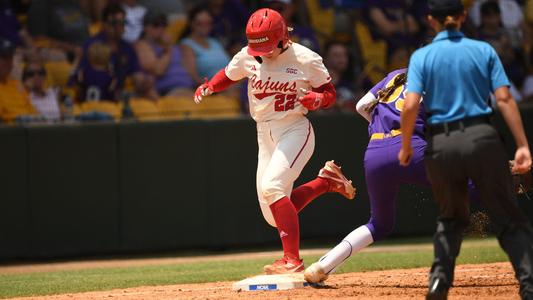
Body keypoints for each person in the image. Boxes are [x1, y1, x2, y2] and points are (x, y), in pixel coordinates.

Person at [193, 8, 356, 274]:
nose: (263, 52)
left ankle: (293, 260)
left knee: (273, 187)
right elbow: (229, 73)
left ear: (282, 38)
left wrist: (319, 100)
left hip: (294, 128)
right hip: (263, 133)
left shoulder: (305, 58)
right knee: (273, 215)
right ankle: (326, 182)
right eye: (258, 46)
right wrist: (210, 85)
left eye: (268, 45)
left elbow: (329, 93)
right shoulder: (249, 55)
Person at [397, 1, 533, 299]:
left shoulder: (422, 55)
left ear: (431, 20)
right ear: (462, 17)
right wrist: (522, 144)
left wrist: (406, 146)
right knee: (509, 218)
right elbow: (505, 99)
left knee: (451, 218)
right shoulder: (483, 50)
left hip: (441, 144)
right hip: (482, 138)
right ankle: (528, 284)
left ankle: (438, 285)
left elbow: (410, 106)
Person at [70, 3, 143, 102]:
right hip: (94, 95)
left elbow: (137, 75)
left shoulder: (127, 48)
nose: (118, 27)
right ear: (104, 24)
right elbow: (79, 79)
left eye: (122, 23)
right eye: (114, 23)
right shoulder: (92, 46)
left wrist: (143, 82)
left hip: (117, 94)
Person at [134, 12, 194, 97]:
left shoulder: (175, 46)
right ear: (145, 27)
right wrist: (167, 48)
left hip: (189, 87)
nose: (161, 28)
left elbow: (190, 69)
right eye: (156, 25)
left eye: (164, 25)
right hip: (168, 90)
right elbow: (159, 70)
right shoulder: (143, 46)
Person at [180, 6, 230, 85]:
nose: (205, 27)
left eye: (208, 23)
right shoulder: (187, 45)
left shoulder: (215, 42)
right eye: (200, 24)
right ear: (191, 24)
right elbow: (192, 76)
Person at [0, 38, 36, 123]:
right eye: (4, 58)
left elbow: (33, 113)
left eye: (10, 58)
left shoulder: (17, 85)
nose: (8, 62)